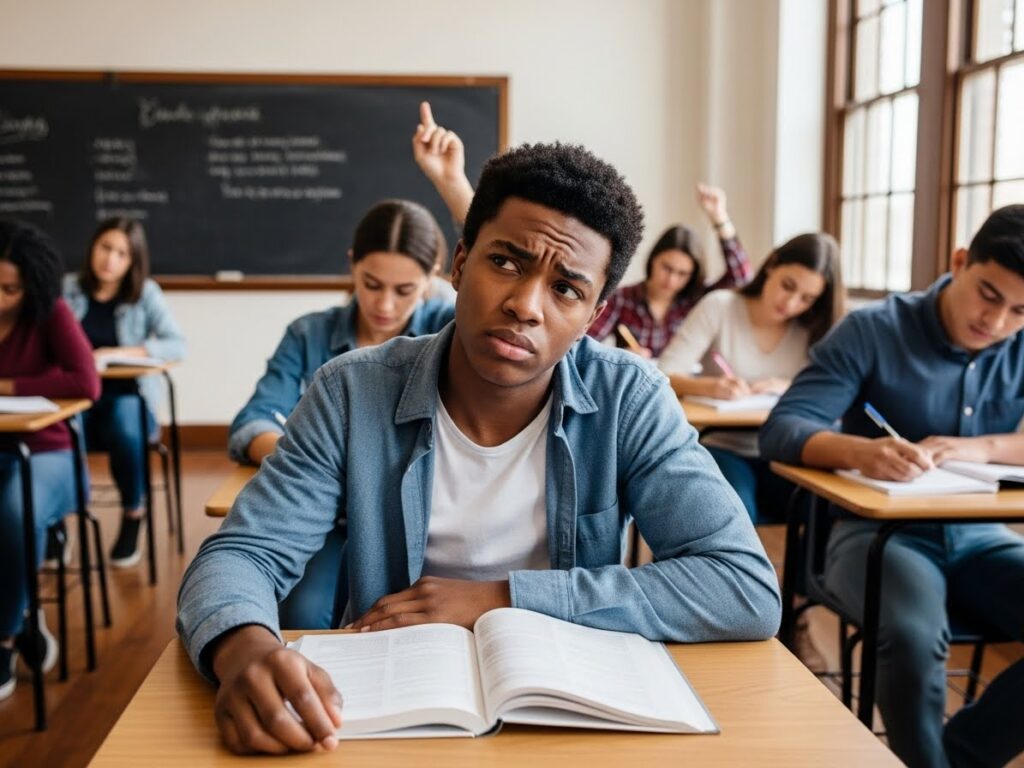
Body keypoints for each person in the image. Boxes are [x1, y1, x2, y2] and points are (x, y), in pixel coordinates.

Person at [178, 141, 782, 756]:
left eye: (566, 290)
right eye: (506, 263)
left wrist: (500, 597)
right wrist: (243, 645)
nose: (525, 305)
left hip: (566, 712)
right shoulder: (351, 391)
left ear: (595, 315)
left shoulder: (630, 398)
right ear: (461, 262)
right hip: (391, 707)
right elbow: (244, 553)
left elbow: (742, 587)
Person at [760, 205, 1024, 768]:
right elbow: (783, 429)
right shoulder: (872, 329)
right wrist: (863, 452)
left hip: (979, 536)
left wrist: (980, 447)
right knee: (909, 637)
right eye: (989, 295)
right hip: (876, 535)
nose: (997, 322)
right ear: (959, 262)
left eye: (1020, 311)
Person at [228, 198, 455, 629]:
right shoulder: (308, 333)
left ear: (433, 278)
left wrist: (451, 186)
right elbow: (252, 421)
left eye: (404, 290)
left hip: (423, 518)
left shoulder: (452, 328)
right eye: (371, 283)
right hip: (327, 513)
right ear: (352, 264)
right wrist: (316, 459)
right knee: (304, 616)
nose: (384, 304)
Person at [659, 233, 844, 524]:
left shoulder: (813, 330)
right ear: (771, 264)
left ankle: (804, 572)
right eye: (788, 286)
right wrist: (710, 387)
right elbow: (664, 374)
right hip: (723, 445)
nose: (791, 303)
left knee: (828, 510)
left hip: (791, 454)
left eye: (807, 298)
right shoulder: (720, 306)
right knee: (734, 513)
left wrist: (788, 387)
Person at [0, 220, 101, 700]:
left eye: (9, 289)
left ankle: (5, 636)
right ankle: (19, 609)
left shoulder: (50, 311)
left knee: (15, 510)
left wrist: (9, 387)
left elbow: (86, 383)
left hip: (49, 452)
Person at [63, 217, 186, 568]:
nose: (110, 260)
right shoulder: (69, 288)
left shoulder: (145, 293)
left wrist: (116, 353)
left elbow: (176, 345)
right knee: (62, 426)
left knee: (124, 418)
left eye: (121, 253)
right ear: (92, 247)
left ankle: (134, 512)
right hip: (78, 399)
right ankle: (58, 521)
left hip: (128, 399)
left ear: (133, 261)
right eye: (105, 248)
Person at [585, 184, 751, 358]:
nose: (671, 280)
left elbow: (741, 278)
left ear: (692, 275)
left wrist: (719, 217)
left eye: (682, 274)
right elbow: (585, 341)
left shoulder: (697, 301)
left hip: (684, 384)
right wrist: (620, 356)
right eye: (667, 268)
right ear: (653, 260)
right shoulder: (622, 299)